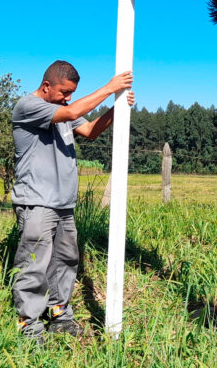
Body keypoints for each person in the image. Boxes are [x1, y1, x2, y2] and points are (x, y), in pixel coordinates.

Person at [11, 60, 134, 344]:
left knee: (65, 261)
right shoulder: (28, 106)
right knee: (34, 263)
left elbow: (90, 130)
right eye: (64, 92)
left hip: (64, 203)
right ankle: (29, 325)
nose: (68, 97)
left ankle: (60, 315)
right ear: (46, 86)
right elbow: (72, 111)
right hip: (37, 202)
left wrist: (116, 107)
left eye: (71, 93)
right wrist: (110, 87)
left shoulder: (62, 110)